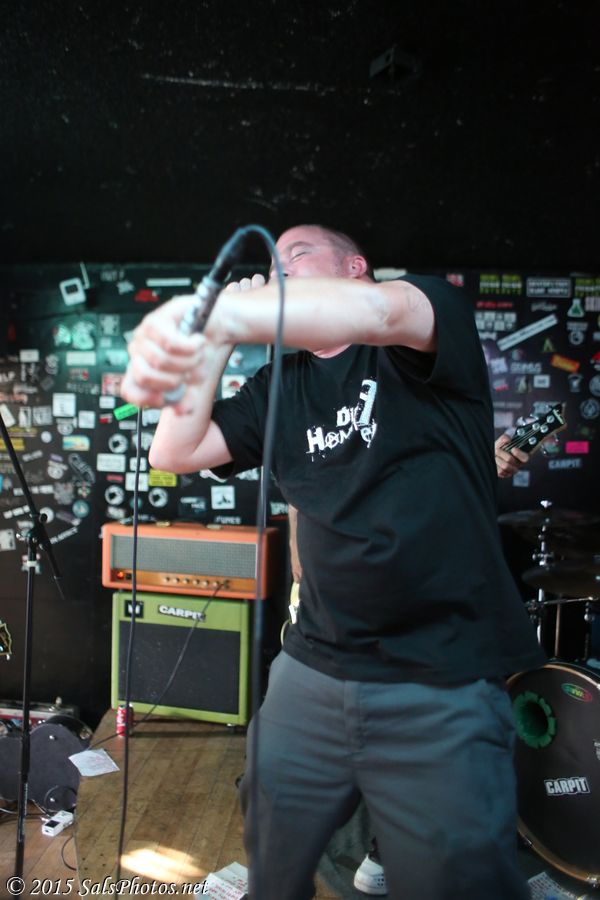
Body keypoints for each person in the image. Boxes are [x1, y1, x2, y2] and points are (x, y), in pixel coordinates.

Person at [121, 224, 545, 900]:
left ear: (354, 267)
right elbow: (173, 451)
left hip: (439, 676)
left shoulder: (420, 322)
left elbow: (378, 312)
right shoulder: (280, 384)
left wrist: (234, 312)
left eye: (298, 256)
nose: (280, 272)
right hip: (312, 667)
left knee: (455, 878)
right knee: (272, 845)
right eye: (273, 267)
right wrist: (218, 339)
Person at [287, 431, 530, 897]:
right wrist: (301, 558)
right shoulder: (325, 411)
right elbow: (298, 480)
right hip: (336, 600)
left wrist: (484, 459)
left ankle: (391, 848)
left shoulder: (434, 413)